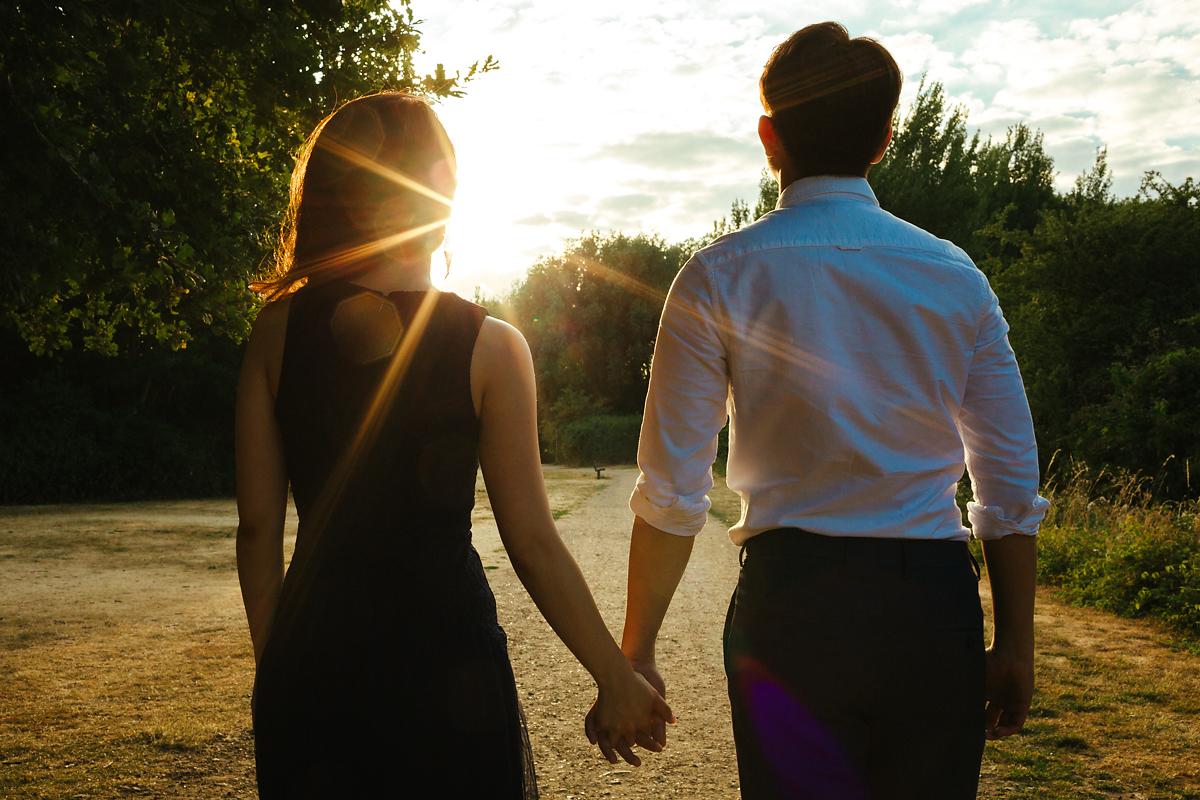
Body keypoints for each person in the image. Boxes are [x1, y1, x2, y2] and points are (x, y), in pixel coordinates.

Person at [608, 22, 1047, 800]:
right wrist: (1016, 640)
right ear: (883, 141)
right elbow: (1008, 480)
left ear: (769, 136)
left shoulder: (717, 277)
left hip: (791, 611)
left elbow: (675, 489)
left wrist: (635, 652)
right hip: (930, 609)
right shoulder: (957, 278)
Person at [235, 91, 672, 799]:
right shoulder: (492, 348)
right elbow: (530, 538)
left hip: (316, 657)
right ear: (437, 197)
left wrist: (275, 667)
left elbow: (257, 531)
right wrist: (614, 677)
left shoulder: (275, 336)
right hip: (446, 663)